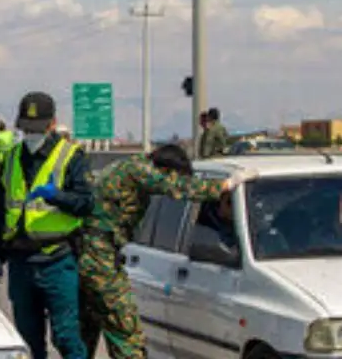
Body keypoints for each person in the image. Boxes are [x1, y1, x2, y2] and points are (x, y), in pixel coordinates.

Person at [77, 143, 239, 359]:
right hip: (99, 257)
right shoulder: (139, 170)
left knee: (85, 331)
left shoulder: (126, 167)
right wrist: (224, 186)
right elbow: (176, 187)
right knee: (127, 333)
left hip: (89, 254)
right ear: (167, 169)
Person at [0, 91, 94, 359]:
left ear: (52, 124)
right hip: (21, 261)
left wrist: (56, 196)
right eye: (26, 128)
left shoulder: (71, 156)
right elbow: (0, 212)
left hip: (57, 259)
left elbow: (86, 203)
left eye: (36, 129)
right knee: (28, 339)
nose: (30, 134)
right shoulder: (11, 158)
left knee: (66, 335)